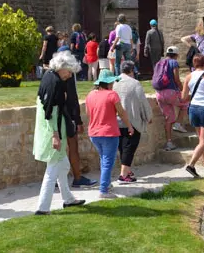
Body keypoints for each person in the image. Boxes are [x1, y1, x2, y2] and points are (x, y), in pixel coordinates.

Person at [33, 51, 86, 215]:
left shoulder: (50, 76)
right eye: (69, 71)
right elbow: (51, 112)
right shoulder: (55, 83)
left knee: (63, 166)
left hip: (51, 129)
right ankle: (42, 208)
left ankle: (68, 199)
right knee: (53, 169)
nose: (70, 75)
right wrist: (55, 135)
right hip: (53, 131)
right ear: (62, 68)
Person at [85, 70, 134, 199]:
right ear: (107, 83)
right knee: (108, 161)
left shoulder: (90, 95)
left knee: (103, 159)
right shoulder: (112, 95)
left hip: (94, 133)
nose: (113, 84)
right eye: (112, 82)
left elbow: (88, 113)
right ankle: (103, 190)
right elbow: (122, 113)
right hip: (109, 133)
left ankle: (105, 183)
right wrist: (129, 126)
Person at [113, 61, 153, 183]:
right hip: (132, 120)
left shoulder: (114, 82)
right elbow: (142, 102)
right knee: (129, 148)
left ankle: (127, 171)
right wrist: (148, 116)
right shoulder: (135, 84)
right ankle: (123, 175)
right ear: (131, 70)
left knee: (122, 147)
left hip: (117, 120)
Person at [64, 71, 98, 188]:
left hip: (56, 116)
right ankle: (77, 177)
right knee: (73, 147)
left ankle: (57, 179)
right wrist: (78, 120)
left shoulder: (51, 75)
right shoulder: (68, 74)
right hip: (68, 117)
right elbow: (72, 98)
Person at [154, 46, 186, 151]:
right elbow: (176, 78)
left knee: (169, 118)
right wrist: (182, 88)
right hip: (171, 92)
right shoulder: (174, 63)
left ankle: (169, 142)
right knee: (185, 104)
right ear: (176, 55)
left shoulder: (159, 63)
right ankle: (177, 124)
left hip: (159, 94)